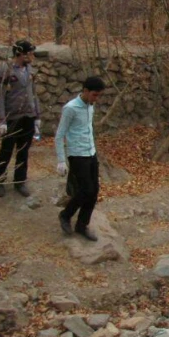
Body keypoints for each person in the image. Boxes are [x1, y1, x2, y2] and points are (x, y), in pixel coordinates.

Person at [55, 76, 106, 241]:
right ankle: (65, 215)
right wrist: (61, 160)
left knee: (94, 191)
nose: (96, 99)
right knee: (86, 190)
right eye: (94, 95)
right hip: (77, 154)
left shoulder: (90, 107)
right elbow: (59, 135)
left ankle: (82, 225)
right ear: (85, 91)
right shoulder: (70, 108)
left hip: (91, 152)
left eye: (98, 96)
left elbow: (88, 129)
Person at [0, 39, 41, 198]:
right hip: (12, 117)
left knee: (23, 151)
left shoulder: (30, 70)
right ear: (20, 53)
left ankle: (20, 181)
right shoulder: (6, 70)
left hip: (28, 115)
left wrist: (37, 116)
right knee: (6, 150)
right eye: (29, 53)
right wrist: (1, 119)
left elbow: (34, 93)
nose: (31, 56)